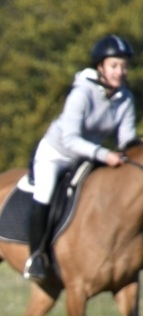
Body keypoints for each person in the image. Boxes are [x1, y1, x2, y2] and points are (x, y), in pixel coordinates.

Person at [24, 34, 136, 281]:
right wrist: (105, 155)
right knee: (45, 193)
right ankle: (36, 257)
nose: (120, 71)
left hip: (87, 158)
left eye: (124, 66)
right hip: (56, 154)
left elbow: (127, 140)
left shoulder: (125, 98)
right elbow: (70, 139)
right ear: (101, 67)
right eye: (114, 65)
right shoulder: (82, 93)